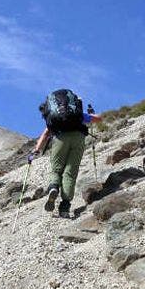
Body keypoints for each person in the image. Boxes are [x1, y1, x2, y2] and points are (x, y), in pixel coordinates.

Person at [29, 90, 102, 218]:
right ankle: (65, 207)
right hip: (78, 139)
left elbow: (45, 134)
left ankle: (54, 187)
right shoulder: (78, 115)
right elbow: (99, 119)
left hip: (60, 139)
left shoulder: (55, 118)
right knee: (70, 172)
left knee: (57, 169)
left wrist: (36, 150)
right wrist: (91, 114)